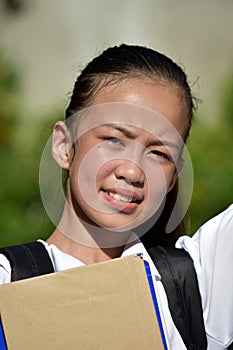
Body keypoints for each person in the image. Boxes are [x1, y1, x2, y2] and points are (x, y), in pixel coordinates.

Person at [0, 44, 232, 349]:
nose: (133, 172)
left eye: (159, 153)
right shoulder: (7, 282)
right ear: (63, 145)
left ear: (175, 174)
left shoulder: (198, 285)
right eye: (113, 139)